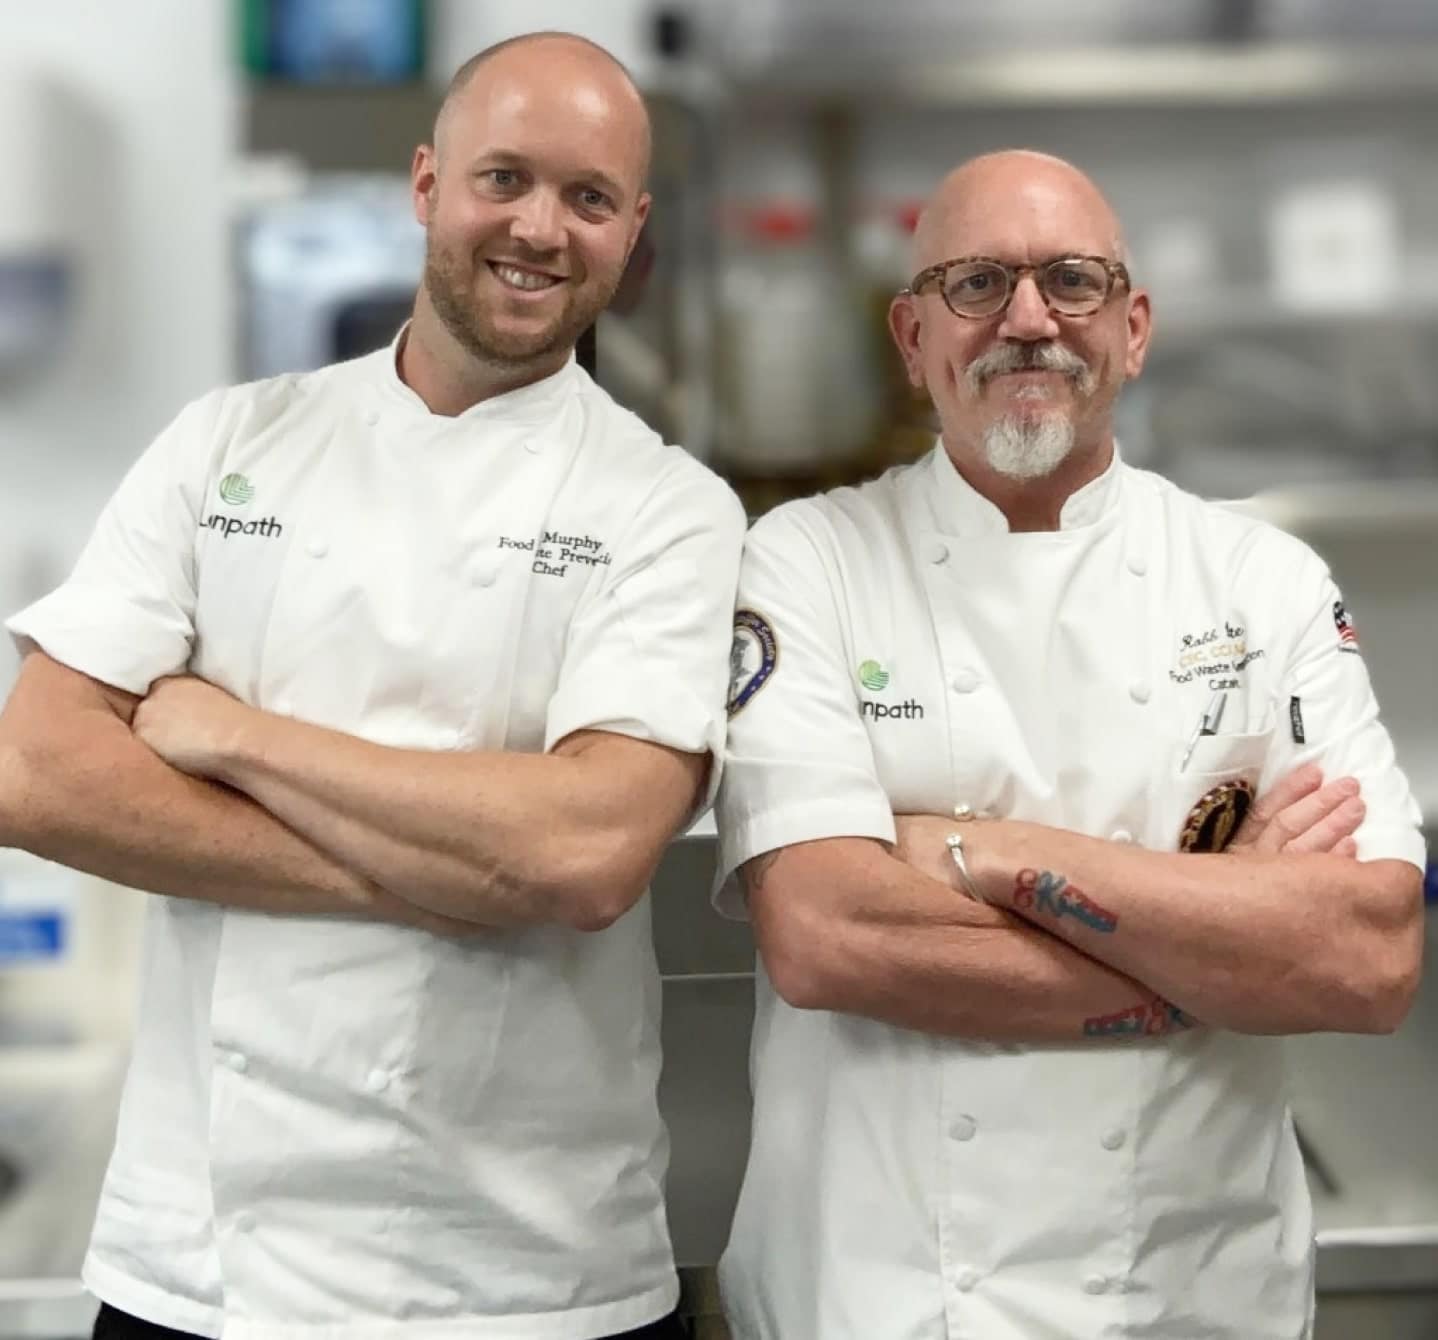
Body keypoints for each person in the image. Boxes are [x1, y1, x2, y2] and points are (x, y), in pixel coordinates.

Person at [0, 32, 744, 1340]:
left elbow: (580, 857)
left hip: (524, 1276)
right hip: (203, 1263)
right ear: (425, 185)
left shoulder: (669, 510)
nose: (538, 227)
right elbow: (36, 773)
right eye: (503, 178)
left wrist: (236, 737)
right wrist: (465, 876)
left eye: (587, 197)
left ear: (632, 231)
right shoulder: (227, 443)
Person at [713, 149, 1425, 1340]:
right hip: (888, 1298)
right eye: (977, 282)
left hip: (1192, 1297)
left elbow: (1368, 956)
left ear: (1133, 329)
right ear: (912, 337)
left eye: (1073, 280)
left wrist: (981, 852)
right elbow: (827, 933)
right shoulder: (806, 561)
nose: (1030, 318)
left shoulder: (1264, 580)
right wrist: (1213, 941)